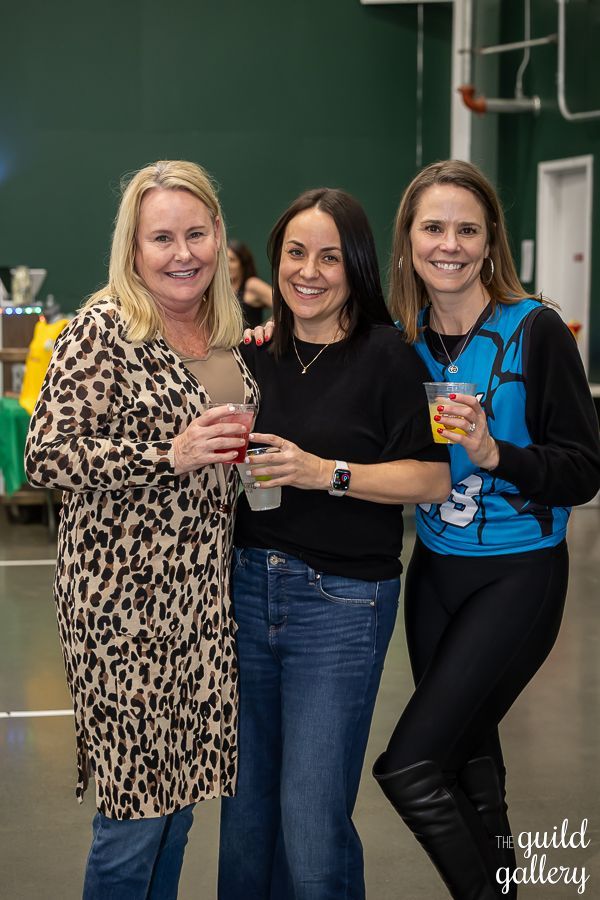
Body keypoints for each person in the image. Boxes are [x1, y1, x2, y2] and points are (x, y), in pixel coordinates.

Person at [24, 159, 259, 900]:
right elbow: (46, 453)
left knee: (179, 811)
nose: (182, 252)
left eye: (196, 233)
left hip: (201, 611)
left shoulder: (222, 329)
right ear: (134, 247)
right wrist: (171, 453)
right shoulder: (105, 329)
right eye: (162, 237)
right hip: (121, 615)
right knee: (133, 821)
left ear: (220, 237)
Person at [371, 160, 600, 899]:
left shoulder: (535, 330)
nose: (450, 243)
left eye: (467, 228)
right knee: (471, 765)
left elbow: (583, 471)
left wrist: (496, 453)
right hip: (434, 570)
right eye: (433, 227)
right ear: (407, 241)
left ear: (490, 241)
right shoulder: (398, 340)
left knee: (409, 766)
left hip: (520, 571)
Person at [218, 187, 451, 900]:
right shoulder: (255, 353)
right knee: (246, 815)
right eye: (295, 253)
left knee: (313, 822)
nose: (308, 271)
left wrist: (328, 473)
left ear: (355, 266)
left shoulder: (392, 358)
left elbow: (433, 479)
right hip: (245, 588)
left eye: (329, 256)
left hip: (341, 603)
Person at [228, 238, 272, 328]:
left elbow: (283, 305)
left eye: (232, 260)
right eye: (224, 260)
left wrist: (264, 329)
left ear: (242, 263)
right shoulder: (221, 290)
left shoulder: (251, 285)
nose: (227, 265)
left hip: (252, 341)